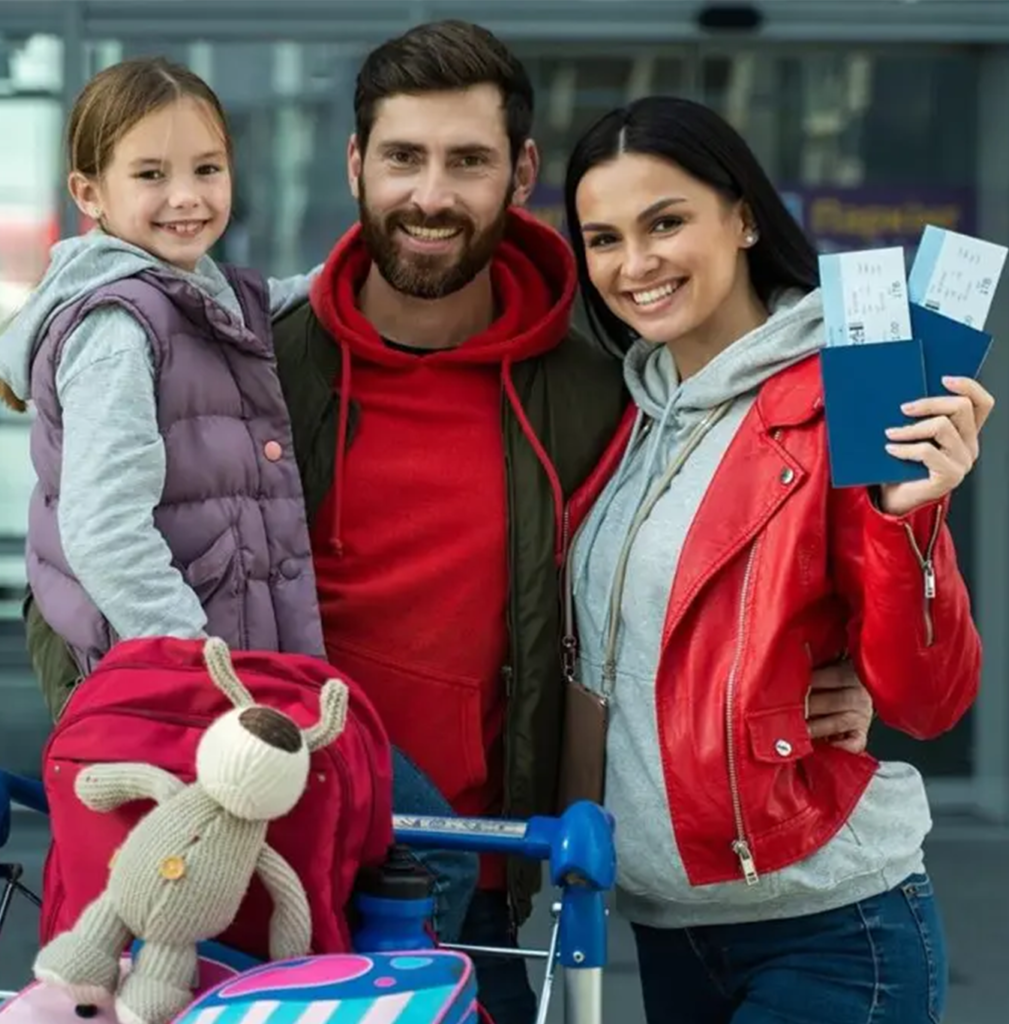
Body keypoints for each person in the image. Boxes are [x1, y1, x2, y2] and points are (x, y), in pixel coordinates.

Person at [19, 26, 876, 1023]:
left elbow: (699, 549)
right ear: (355, 165)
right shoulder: (261, 361)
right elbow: (79, 565)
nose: (429, 194)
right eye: (401, 158)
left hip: (468, 890)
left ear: (518, 173)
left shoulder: (596, 385)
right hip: (239, 874)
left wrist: (836, 666)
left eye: (465, 160)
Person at [0, 56, 477, 950]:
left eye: (206, 169)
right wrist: (211, 677)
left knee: (259, 893)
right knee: (401, 855)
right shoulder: (116, 326)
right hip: (184, 684)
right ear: (89, 192)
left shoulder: (201, 296)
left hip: (235, 674)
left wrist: (384, 259)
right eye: (151, 174)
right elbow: (104, 531)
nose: (186, 196)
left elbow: (275, 304)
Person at [563, 94, 990, 1023]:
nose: (634, 265)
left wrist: (909, 524)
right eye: (602, 238)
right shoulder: (624, 417)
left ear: (746, 217)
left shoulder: (848, 395)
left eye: (665, 222)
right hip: (666, 929)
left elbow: (930, 698)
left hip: (829, 929)